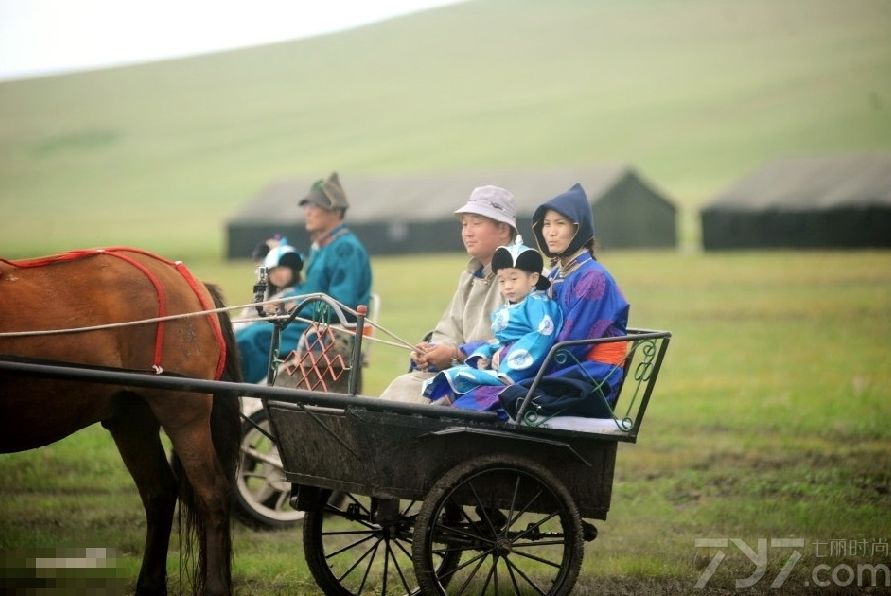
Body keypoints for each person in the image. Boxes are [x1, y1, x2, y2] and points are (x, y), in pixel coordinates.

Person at [500, 183, 630, 420]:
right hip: (559, 366)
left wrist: (519, 364)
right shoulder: (556, 274)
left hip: (587, 377)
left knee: (498, 395)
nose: (551, 231)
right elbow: (531, 326)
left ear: (578, 229)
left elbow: (570, 346)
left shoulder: (593, 278)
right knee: (480, 384)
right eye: (546, 224)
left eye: (560, 224)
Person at [377, 185, 517, 403]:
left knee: (408, 392)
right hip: (462, 374)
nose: (468, 232)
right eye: (464, 224)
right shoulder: (470, 276)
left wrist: (455, 354)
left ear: (503, 230)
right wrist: (428, 353)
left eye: (477, 223)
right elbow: (448, 332)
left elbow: (514, 345)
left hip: (494, 383)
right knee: (404, 384)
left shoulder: (524, 276)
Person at [236, 172, 372, 383]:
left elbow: (342, 305)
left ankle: (245, 396)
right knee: (241, 331)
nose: (307, 212)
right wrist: (281, 301)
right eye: (306, 207)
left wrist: (292, 307)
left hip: (327, 331)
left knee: (253, 339)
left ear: (334, 210)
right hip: (306, 322)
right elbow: (310, 290)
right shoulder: (321, 246)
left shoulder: (346, 248)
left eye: (314, 206)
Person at [421, 238, 562, 414]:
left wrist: (506, 358)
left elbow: (541, 336)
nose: (508, 286)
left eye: (514, 278)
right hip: (502, 365)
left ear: (533, 278)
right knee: (458, 375)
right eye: (502, 281)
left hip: (521, 372)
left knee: (468, 384)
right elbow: (499, 341)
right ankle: (436, 411)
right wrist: (484, 354)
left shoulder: (538, 304)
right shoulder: (508, 308)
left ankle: (445, 414)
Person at [233, 239, 304, 333]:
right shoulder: (267, 292)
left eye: (282, 269)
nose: (278, 274)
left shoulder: (297, 293)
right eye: (273, 271)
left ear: (293, 271)